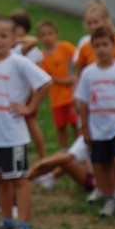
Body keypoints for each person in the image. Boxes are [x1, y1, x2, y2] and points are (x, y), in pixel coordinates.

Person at [0, 17, 52, 229]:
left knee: (19, 179)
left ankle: (24, 227)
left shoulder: (20, 62)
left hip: (12, 135)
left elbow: (46, 83)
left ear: (14, 40)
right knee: (0, 179)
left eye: (3, 36)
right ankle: (6, 222)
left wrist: (29, 108)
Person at [75, 26, 115, 217]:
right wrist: (85, 127)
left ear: (114, 46)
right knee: (100, 164)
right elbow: (83, 102)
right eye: (96, 46)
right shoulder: (88, 73)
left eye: (105, 44)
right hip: (97, 128)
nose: (101, 49)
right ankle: (109, 198)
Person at [10, 9, 46, 160]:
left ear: (23, 27)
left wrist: (31, 96)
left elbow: (33, 75)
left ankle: (42, 156)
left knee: (31, 124)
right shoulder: (17, 48)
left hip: (29, 94)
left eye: (15, 26)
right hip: (21, 95)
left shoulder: (30, 48)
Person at [37, 20, 78, 151]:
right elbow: (46, 78)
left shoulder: (65, 47)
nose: (47, 37)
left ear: (56, 34)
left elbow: (78, 60)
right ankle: (64, 151)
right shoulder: (41, 56)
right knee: (60, 126)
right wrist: (65, 80)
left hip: (71, 96)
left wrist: (75, 78)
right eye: (43, 35)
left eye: (50, 33)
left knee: (75, 124)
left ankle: (80, 150)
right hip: (55, 98)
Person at [29, 135, 95, 193]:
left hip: (94, 181)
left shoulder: (89, 136)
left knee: (60, 159)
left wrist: (39, 165)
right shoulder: (91, 135)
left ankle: (30, 176)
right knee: (60, 158)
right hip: (94, 176)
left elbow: (67, 158)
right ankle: (47, 177)